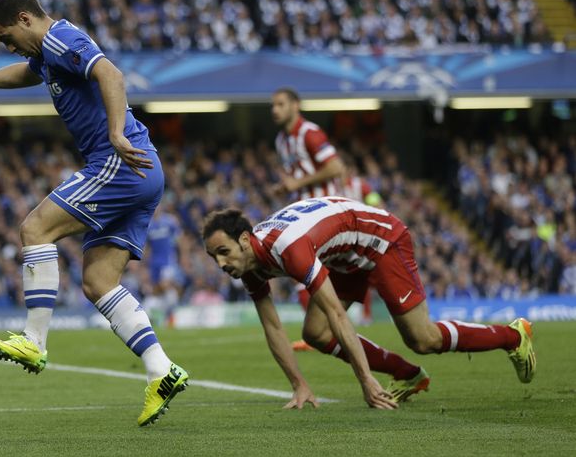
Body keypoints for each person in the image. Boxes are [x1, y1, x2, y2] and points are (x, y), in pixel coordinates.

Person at [0, 0, 187, 427]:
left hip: (120, 161)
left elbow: (110, 75)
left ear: (25, 18)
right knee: (97, 281)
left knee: (35, 229)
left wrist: (115, 133)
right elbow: (26, 74)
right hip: (142, 169)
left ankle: (35, 339)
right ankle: (161, 370)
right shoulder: (48, 53)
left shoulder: (60, 39)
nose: (8, 46)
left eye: (6, 37)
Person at [202, 197, 536, 405]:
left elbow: (337, 312)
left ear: (245, 241)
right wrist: (299, 385)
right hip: (345, 255)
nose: (220, 264)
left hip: (381, 241)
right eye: (213, 256)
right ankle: (407, 374)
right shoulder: (248, 266)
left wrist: (365, 381)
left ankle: (514, 335)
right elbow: (272, 326)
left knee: (423, 339)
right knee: (315, 333)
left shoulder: (288, 248)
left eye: (223, 252)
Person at [270, 87, 370, 348]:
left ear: (296, 105)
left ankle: (328, 331)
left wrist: (297, 183)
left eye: (280, 104)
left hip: (324, 211)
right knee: (303, 272)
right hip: (303, 214)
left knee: (301, 268)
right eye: (273, 105)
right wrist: (289, 187)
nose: (275, 110)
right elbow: (297, 178)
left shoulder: (310, 133)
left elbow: (335, 167)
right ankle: (321, 332)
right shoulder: (281, 141)